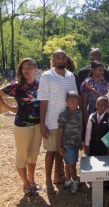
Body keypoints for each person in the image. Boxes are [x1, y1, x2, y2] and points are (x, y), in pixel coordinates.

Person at [0, 58, 42, 196]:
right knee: (22, 156)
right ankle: (25, 184)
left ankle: (32, 181)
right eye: (24, 67)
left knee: (33, 156)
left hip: (38, 126)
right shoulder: (16, 86)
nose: (26, 70)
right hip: (22, 126)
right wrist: (11, 109)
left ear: (35, 70)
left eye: (30, 67)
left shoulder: (41, 85)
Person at [37, 49, 78, 194]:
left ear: (66, 59)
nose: (61, 59)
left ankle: (57, 177)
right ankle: (48, 181)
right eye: (58, 57)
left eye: (63, 57)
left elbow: (74, 99)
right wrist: (43, 123)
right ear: (53, 59)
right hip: (52, 121)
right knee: (51, 152)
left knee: (62, 151)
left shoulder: (70, 76)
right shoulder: (47, 76)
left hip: (68, 121)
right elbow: (43, 101)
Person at [57, 91, 82, 194]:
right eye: (72, 102)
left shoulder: (79, 113)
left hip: (76, 144)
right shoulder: (63, 115)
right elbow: (59, 132)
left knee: (69, 163)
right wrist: (59, 146)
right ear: (66, 101)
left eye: (77, 102)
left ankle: (68, 181)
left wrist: (80, 142)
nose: (75, 104)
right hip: (68, 145)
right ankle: (75, 182)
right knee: (72, 165)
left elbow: (80, 128)